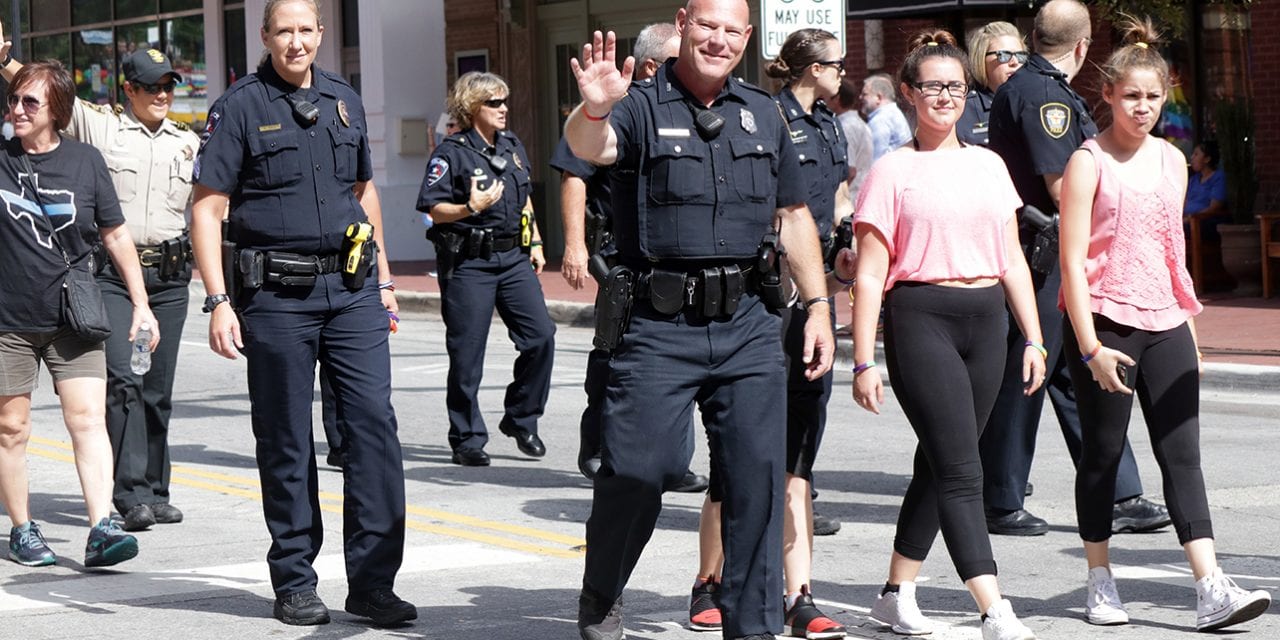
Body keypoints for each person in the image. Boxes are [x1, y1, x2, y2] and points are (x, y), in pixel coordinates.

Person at [564, 0, 836, 636]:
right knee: (638, 469)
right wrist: (595, 104)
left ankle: (754, 625)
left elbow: (794, 215)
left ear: (746, 38)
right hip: (659, 325)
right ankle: (601, 589)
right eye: (707, 26)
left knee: (757, 482)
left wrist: (819, 306)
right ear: (684, 24)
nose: (718, 40)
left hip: (747, 323)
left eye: (731, 30)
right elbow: (589, 145)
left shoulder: (763, 113)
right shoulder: (636, 102)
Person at [190, 0, 414, 627]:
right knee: (286, 439)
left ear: (321, 34)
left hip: (352, 293)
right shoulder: (238, 107)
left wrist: (387, 280)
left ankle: (373, 584)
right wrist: (217, 301)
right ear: (265, 36)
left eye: (305, 30)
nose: (296, 42)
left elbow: (363, 193)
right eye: (283, 31)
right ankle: (295, 579)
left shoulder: (344, 99)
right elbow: (207, 210)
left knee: (372, 432)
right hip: (276, 300)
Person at [1058, 18, 1272, 632]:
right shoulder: (1087, 161)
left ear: (1165, 95)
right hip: (1106, 321)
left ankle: (1210, 585)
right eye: (1131, 96)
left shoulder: (1173, 161)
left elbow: (1170, 252)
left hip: (1167, 320)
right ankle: (1099, 579)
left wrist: (1191, 334)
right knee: (1101, 455)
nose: (1143, 106)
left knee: (1183, 456)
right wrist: (1091, 345)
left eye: (1153, 96)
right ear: (1108, 95)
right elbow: (1073, 261)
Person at [850, 30, 1044, 640]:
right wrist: (862, 360)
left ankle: (893, 594)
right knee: (964, 471)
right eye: (932, 85)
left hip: (988, 323)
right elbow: (871, 272)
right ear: (908, 92)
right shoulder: (892, 170)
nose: (944, 96)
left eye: (955, 87)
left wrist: (1034, 339)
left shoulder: (989, 164)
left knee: (940, 464)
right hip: (920, 319)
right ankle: (994, 609)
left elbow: (1011, 257)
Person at [0, 33, 200, 532]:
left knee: (133, 400)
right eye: (152, 86)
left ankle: (131, 505)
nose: (163, 94)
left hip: (134, 290)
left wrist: (155, 301)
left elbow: (141, 227)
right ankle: (87, 508)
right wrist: (4, 59)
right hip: (52, 299)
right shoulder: (92, 132)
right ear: (129, 89)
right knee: (104, 391)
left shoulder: (176, 143)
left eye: (169, 86)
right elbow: (31, 88)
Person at [983, 0, 1170, 537]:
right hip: (1043, 256)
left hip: (1054, 252)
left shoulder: (1035, 87)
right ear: (1083, 46)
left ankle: (1120, 491)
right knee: (1031, 367)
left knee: (1073, 374)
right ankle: (1000, 498)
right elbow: (1062, 188)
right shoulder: (1044, 94)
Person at [0, 60, 156, 568]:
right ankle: (23, 529)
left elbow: (114, 234)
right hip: (9, 320)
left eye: (30, 102)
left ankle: (101, 528)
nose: (16, 109)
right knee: (11, 428)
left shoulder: (86, 162)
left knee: (88, 419)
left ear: (57, 110)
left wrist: (141, 303)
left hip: (74, 315)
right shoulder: (0, 154)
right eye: (14, 100)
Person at [553, 21, 706, 494]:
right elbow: (574, 175)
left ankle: (673, 460)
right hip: (616, 254)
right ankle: (596, 444)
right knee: (615, 348)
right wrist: (575, 244)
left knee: (679, 358)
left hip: (667, 258)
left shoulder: (690, 109)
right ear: (654, 66)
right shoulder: (611, 107)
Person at [417, 71, 555, 467]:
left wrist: (537, 240)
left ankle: (521, 418)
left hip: (512, 258)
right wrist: (469, 208)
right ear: (471, 107)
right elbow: (434, 209)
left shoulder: (511, 146)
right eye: (494, 102)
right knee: (467, 354)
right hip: (469, 262)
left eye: (504, 101)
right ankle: (467, 437)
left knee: (541, 336)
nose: (503, 109)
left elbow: (524, 196)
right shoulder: (450, 153)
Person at [957, 22, 1027, 146]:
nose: (1014, 62)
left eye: (1020, 55)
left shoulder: (1033, 101)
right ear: (980, 59)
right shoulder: (963, 109)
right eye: (1004, 55)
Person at [830, 77, 873, 202]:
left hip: (851, 197)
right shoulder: (859, 123)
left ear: (837, 99)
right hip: (862, 193)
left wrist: (836, 198)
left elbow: (850, 170)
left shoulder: (845, 127)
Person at [859, 73, 910, 161]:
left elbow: (875, 160)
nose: (860, 97)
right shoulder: (892, 113)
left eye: (865, 94)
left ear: (878, 97)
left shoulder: (880, 120)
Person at [1184, 141, 1228, 228]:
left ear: (1207, 159)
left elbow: (1214, 208)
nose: (1192, 157)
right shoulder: (1193, 180)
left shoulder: (1218, 178)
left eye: (1196, 154)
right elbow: (1184, 202)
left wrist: (1191, 218)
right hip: (1187, 220)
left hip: (1204, 221)